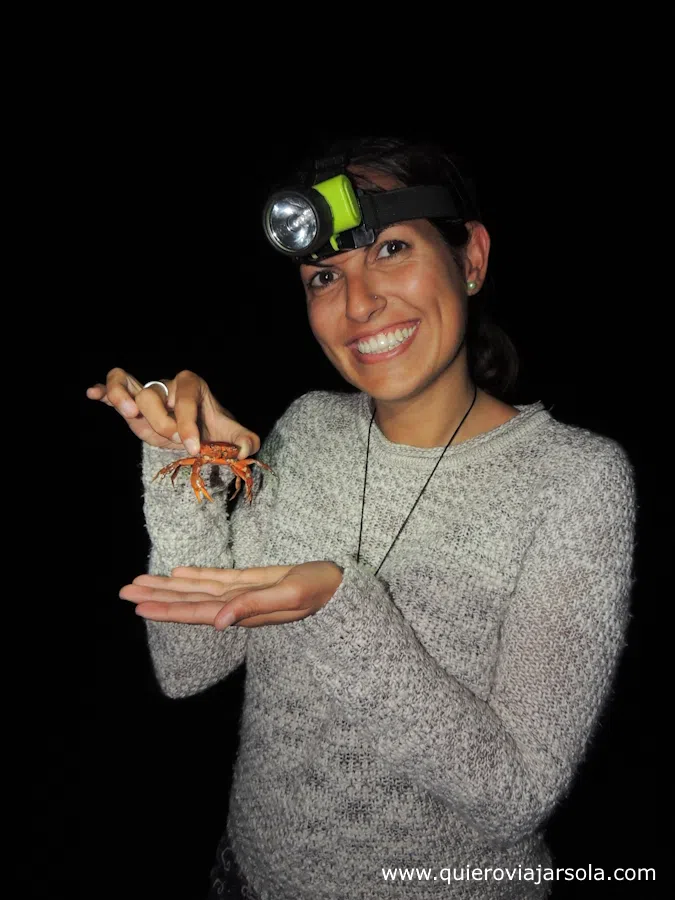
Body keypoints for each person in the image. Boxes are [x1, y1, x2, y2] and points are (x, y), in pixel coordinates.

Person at [86, 137, 637, 899]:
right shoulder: (308, 427)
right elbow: (188, 667)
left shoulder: (574, 479)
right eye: (323, 276)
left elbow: (517, 795)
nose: (358, 303)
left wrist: (341, 604)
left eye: (391, 248)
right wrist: (187, 466)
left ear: (470, 258)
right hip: (247, 874)